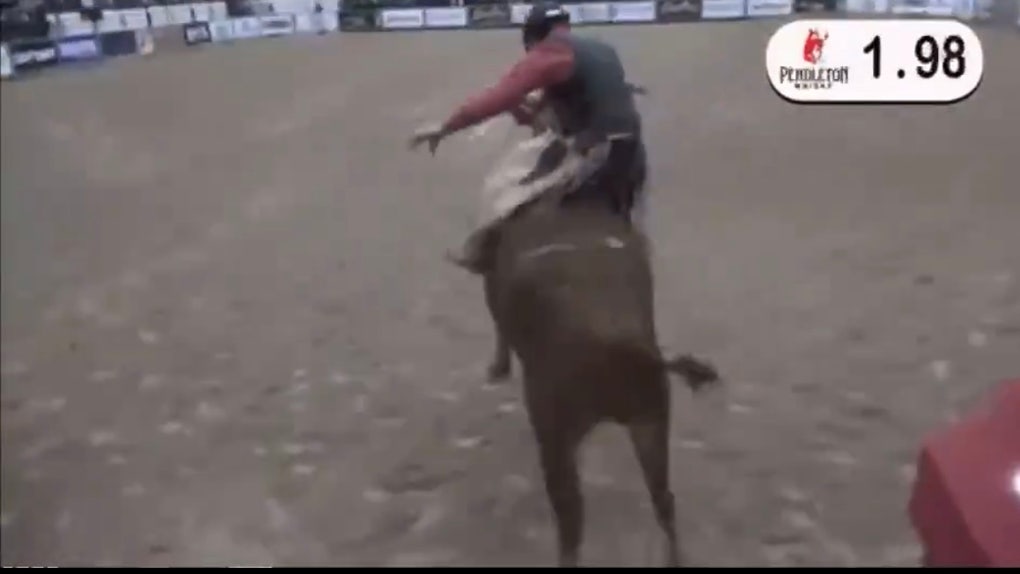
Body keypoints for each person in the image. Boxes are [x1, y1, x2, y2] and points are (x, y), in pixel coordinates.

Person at [408, 0, 648, 274]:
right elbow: (544, 109)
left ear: (533, 36)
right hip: (631, 153)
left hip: (593, 153)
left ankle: (481, 251)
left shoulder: (547, 53)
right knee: (634, 223)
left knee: (506, 188)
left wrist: (446, 127)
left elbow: (498, 98)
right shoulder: (603, 51)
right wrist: (519, 108)